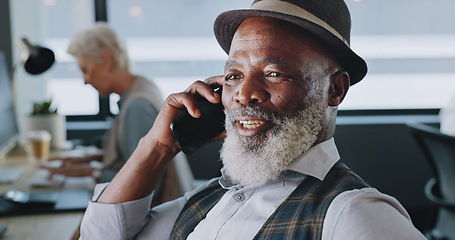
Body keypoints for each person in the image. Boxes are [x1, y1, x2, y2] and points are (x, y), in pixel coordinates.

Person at [79, 0, 426, 239]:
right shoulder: (211, 199)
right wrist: (155, 147)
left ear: (334, 90)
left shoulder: (354, 215)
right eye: (232, 76)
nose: (245, 94)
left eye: (274, 73)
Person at [47, 23, 193, 195]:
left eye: (86, 70)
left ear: (107, 61)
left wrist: (93, 172)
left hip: (161, 214)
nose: (85, 81)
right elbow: (133, 157)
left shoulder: (137, 106)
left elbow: (146, 180)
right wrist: (87, 160)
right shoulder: (143, 86)